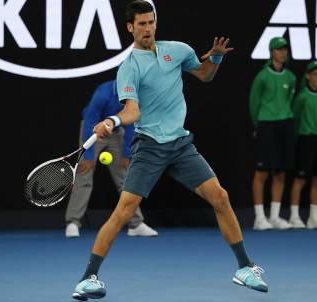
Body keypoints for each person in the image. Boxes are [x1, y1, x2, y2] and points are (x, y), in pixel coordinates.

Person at [71, 1, 268, 300]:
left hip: (180, 145)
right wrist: (112, 119)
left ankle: (243, 267)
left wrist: (215, 58)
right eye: (141, 24)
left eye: (151, 22)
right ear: (130, 27)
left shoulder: (177, 50)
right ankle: (88, 278)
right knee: (123, 212)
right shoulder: (130, 67)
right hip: (149, 147)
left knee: (220, 197)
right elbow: (132, 111)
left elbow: (204, 75)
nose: (148, 28)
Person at [65, 79, 158, 238]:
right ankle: (72, 222)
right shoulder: (103, 93)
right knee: (84, 174)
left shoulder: (134, 94)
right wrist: (88, 155)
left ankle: (135, 224)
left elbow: (131, 124)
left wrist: (126, 154)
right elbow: (89, 122)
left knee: (127, 178)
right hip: (94, 131)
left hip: (117, 133)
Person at [249, 37, 296, 231]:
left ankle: (275, 217)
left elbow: (290, 101)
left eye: (285, 49)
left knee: (280, 172)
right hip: (266, 125)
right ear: (271, 52)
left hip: (285, 125)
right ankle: (259, 218)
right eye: (279, 49)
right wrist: (257, 126)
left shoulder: (291, 77)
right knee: (262, 172)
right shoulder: (262, 76)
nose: (283, 52)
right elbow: (253, 103)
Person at [288, 61, 317, 229]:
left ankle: (313, 217)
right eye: (314, 74)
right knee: (300, 179)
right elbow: (296, 118)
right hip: (305, 140)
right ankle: (294, 216)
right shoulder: (302, 97)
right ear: (307, 76)